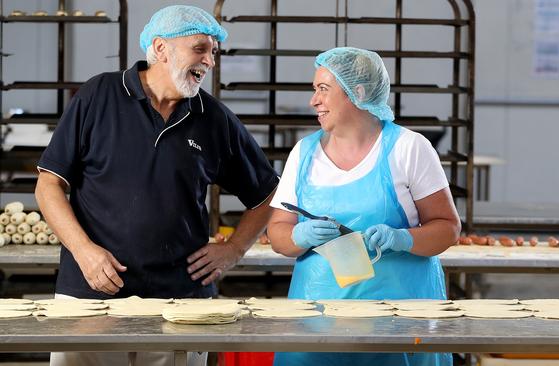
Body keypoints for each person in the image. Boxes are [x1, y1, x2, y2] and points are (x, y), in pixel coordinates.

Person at [35, 5, 278, 366]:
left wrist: (235, 249)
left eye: (213, 51)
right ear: (161, 48)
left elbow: (269, 193)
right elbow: (49, 185)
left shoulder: (212, 118)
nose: (209, 61)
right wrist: (84, 251)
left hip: (181, 302)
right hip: (91, 296)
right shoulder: (99, 95)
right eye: (200, 48)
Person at [267, 47, 461, 366]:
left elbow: (448, 228)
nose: (313, 101)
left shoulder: (408, 148)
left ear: (357, 92)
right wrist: (299, 236)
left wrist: (404, 239)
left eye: (323, 90)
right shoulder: (304, 154)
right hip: (317, 326)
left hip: (399, 326)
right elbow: (277, 233)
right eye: (314, 90)